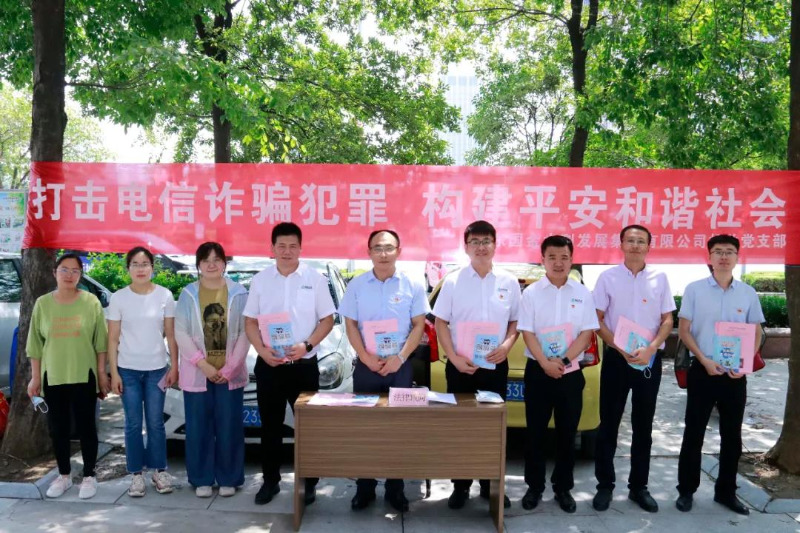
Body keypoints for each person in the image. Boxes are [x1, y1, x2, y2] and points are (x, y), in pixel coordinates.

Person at [244, 222, 335, 506]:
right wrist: (262, 351)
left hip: (303, 365)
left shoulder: (315, 279)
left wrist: (306, 345)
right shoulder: (260, 280)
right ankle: (270, 481)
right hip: (270, 365)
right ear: (272, 248)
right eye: (281, 246)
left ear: (300, 248)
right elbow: (250, 322)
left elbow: (328, 319)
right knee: (270, 427)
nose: (287, 251)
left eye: (292, 246)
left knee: (307, 428)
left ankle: (309, 483)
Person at [338, 229, 429, 513]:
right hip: (367, 367)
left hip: (399, 367)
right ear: (369, 252)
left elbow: (419, 325)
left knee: (397, 429)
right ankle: (364, 488)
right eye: (377, 248)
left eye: (389, 248)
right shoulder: (357, 285)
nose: (383, 253)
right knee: (366, 429)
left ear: (399, 251)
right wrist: (365, 356)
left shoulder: (412, 284)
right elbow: (351, 324)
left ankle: (395, 489)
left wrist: (400, 358)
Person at [432, 220, 520, 510]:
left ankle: (490, 485)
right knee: (461, 428)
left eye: (486, 241)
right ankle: (460, 486)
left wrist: (507, 346)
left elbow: (515, 322)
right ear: (466, 246)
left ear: (495, 244)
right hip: (461, 366)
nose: (481, 247)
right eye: (475, 242)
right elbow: (441, 322)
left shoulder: (509, 282)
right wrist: (454, 357)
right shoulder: (453, 281)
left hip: (494, 367)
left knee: (493, 428)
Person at [675, 234, 764, 515]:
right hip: (703, 371)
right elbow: (684, 331)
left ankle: (726, 492)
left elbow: (757, 331)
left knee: (732, 436)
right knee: (694, 433)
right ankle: (686, 490)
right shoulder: (694, 290)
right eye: (718, 251)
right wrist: (703, 359)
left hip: (735, 375)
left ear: (737, 257)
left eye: (729, 252)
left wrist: (745, 362)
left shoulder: (748, 293)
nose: (724, 256)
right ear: (709, 257)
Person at [592, 225, 675, 513]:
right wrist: (618, 346)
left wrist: (651, 348)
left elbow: (668, 320)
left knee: (643, 425)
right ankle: (604, 486)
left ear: (649, 247)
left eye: (641, 241)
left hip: (648, 360)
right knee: (609, 424)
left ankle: (639, 487)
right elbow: (596, 319)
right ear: (621, 245)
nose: (636, 245)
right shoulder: (607, 278)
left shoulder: (660, 278)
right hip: (617, 358)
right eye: (630, 240)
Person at [518, 235, 599, 513]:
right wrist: (545, 363)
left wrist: (562, 360)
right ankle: (534, 487)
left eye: (564, 257)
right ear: (542, 260)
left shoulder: (582, 293)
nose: (558, 263)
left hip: (570, 371)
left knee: (567, 433)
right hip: (538, 371)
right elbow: (527, 332)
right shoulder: (530, 293)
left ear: (571, 260)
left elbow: (587, 333)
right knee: (535, 433)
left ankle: (563, 488)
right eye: (552, 257)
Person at [26, 253, 110, 500]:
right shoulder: (42, 303)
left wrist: (102, 374)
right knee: (57, 428)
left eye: (75, 270)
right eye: (64, 269)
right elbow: (35, 345)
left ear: (80, 275)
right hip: (53, 375)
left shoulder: (90, 302)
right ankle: (64, 475)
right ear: (54, 273)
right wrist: (35, 378)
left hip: (84, 374)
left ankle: (89, 475)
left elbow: (101, 342)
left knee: (86, 427)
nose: (69, 275)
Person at [175, 242, 250, 498]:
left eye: (216, 259)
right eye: (205, 260)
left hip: (230, 374)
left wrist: (231, 367)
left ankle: (229, 477)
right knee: (198, 427)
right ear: (198, 265)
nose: (211, 264)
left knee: (229, 426)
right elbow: (180, 331)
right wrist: (202, 364)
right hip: (198, 372)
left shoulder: (239, 293)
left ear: (224, 264)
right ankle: (201, 478)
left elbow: (245, 332)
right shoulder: (188, 294)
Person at [108, 246, 179, 498]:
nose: (140, 269)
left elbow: (171, 335)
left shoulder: (164, 295)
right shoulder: (119, 298)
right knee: (133, 423)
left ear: (152, 267)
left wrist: (175, 366)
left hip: (157, 369)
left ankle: (159, 471)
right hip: (127, 370)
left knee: (156, 422)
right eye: (135, 264)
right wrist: (114, 373)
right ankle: (136, 474)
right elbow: (112, 339)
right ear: (128, 268)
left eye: (145, 264)